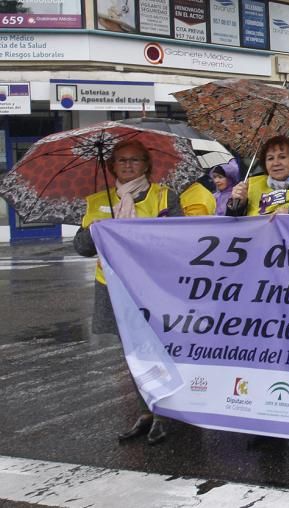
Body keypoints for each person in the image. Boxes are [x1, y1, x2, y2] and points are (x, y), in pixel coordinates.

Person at [73, 139, 183, 445]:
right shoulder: (97, 201)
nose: (128, 165)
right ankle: (146, 411)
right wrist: (96, 229)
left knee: (162, 349)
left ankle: (166, 412)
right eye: (121, 161)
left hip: (154, 287)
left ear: (146, 165)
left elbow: (181, 238)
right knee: (133, 352)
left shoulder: (164, 196)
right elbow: (81, 248)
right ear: (112, 166)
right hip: (113, 287)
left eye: (134, 160)